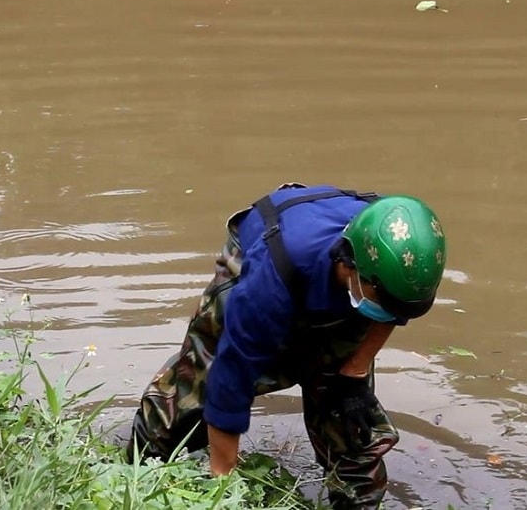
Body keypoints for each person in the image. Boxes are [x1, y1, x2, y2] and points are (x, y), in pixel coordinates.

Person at [126, 182, 446, 509]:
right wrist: (223, 486)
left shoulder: (401, 260)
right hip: (262, 257)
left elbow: (393, 310)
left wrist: (354, 371)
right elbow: (231, 378)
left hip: (346, 278)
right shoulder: (270, 281)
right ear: (349, 263)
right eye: (385, 301)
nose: (392, 313)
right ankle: (136, 472)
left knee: (350, 412)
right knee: (199, 387)